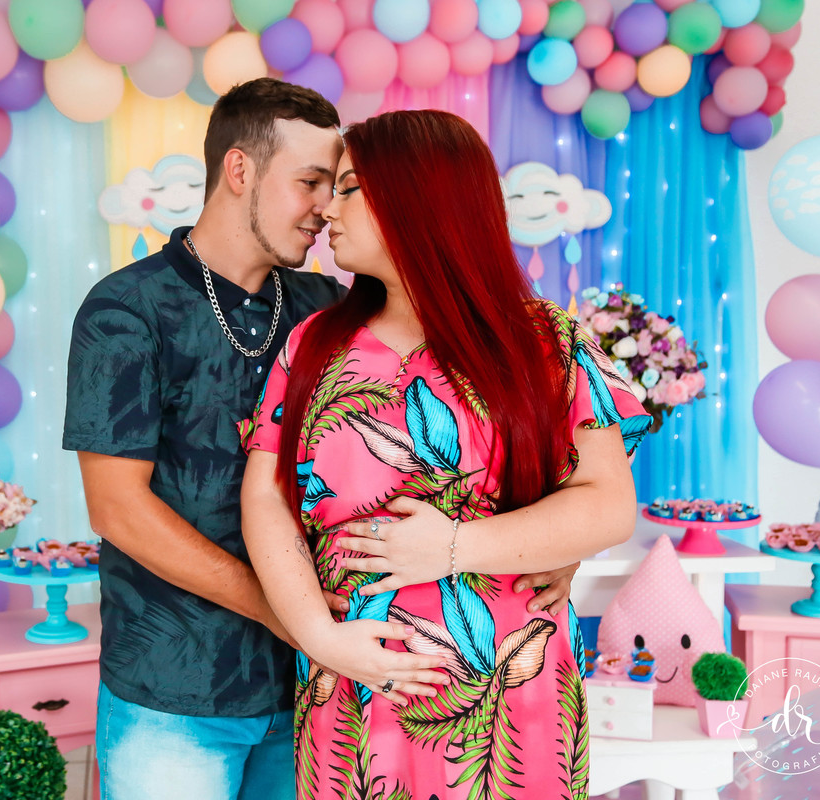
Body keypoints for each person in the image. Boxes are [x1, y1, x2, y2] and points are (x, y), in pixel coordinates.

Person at [65, 81, 581, 800]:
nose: (325, 207)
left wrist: (544, 545)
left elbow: (476, 443)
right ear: (239, 170)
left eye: (339, 186)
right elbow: (117, 508)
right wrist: (296, 618)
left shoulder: (328, 310)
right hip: (179, 685)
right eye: (311, 182)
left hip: (324, 689)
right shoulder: (127, 309)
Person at [240, 110, 652, 800]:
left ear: (418, 196)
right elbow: (265, 497)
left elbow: (607, 506)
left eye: (349, 188)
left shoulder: (544, 342)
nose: (327, 208)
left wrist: (455, 547)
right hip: (352, 690)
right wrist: (318, 636)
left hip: (510, 703)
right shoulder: (312, 345)